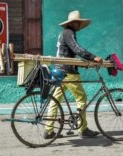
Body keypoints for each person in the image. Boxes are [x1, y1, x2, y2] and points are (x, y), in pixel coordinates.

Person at [44, 10, 103, 139]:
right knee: (81, 98)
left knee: (55, 100)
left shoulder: (64, 33)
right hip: (68, 72)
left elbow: (69, 52)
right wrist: (94, 57)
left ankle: (48, 130)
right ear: (74, 23)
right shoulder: (69, 33)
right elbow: (77, 49)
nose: (80, 25)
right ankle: (83, 129)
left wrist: (83, 63)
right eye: (79, 23)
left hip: (59, 71)